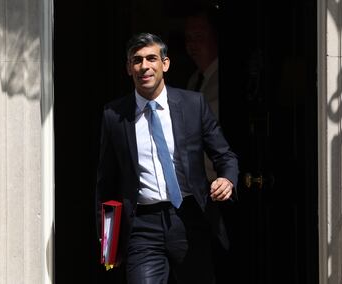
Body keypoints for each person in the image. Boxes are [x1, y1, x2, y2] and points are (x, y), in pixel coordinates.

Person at [96, 32, 239, 284]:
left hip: (189, 217)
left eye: (151, 58)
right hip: (142, 225)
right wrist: (108, 243)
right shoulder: (114, 115)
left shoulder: (193, 104)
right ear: (129, 68)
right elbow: (107, 181)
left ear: (165, 63)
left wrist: (227, 180)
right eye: (137, 60)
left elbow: (224, 154)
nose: (144, 66)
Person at [184, 6, 219, 181]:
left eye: (199, 37)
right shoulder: (194, 80)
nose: (192, 45)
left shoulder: (223, 82)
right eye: (189, 38)